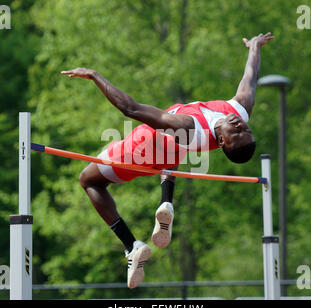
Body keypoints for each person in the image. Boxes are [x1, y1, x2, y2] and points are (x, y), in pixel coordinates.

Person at [61, 32, 274, 289]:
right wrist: (254, 47)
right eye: (245, 130)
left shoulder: (188, 126)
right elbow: (250, 78)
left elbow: (132, 109)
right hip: (169, 153)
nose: (240, 126)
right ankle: (166, 203)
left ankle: (132, 245)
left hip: (139, 149)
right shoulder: (239, 111)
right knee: (172, 144)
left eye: (236, 134)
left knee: (88, 180)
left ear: (221, 142)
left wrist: (94, 75)